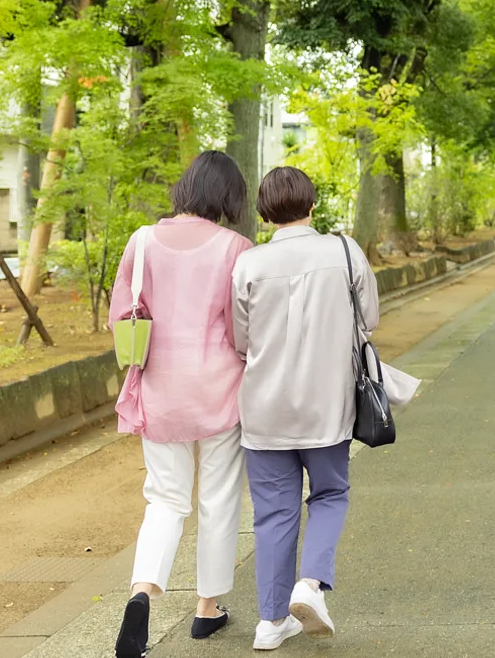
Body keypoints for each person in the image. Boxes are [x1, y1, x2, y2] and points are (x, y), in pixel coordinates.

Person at [111, 150, 257, 658]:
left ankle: (142, 593)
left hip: (161, 389)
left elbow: (121, 316)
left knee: (165, 499)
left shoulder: (142, 241)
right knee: (218, 500)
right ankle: (206, 609)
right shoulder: (236, 247)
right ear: (229, 197)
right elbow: (244, 327)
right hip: (220, 390)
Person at [232, 166, 379, 651]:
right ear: (312, 205)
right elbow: (370, 320)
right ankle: (310, 585)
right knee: (330, 493)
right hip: (326, 405)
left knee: (273, 513)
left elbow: (240, 340)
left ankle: (271, 623)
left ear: (263, 211)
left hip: (264, 408)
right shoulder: (343, 250)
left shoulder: (249, 264)